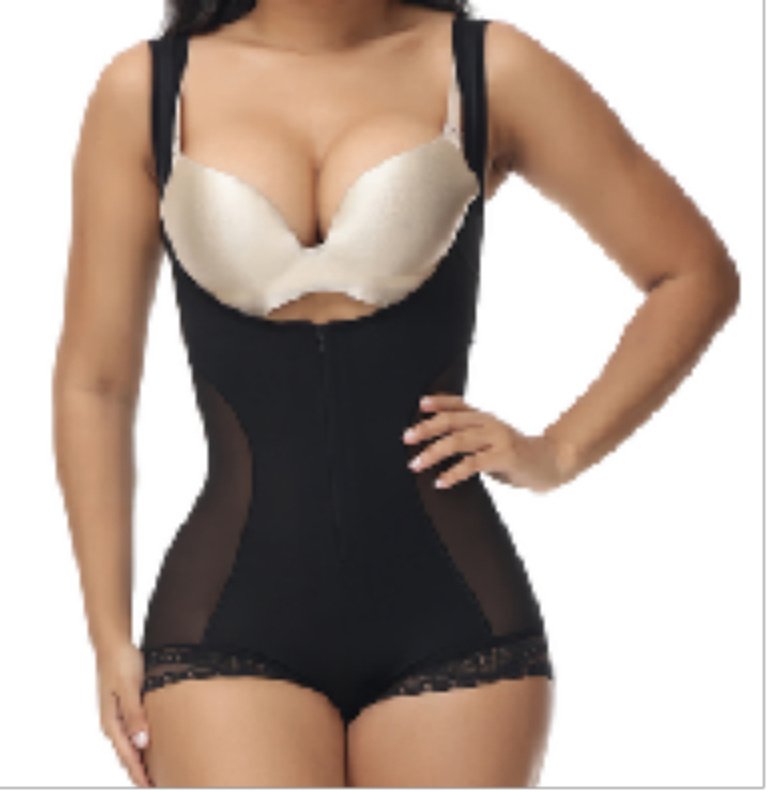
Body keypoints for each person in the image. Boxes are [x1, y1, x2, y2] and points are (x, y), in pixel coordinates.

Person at [52, 0, 740, 786]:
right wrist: (107, 635)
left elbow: (693, 274)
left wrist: (558, 451)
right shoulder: (146, 89)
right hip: (228, 615)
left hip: (454, 616)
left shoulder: (488, 68)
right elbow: (96, 383)